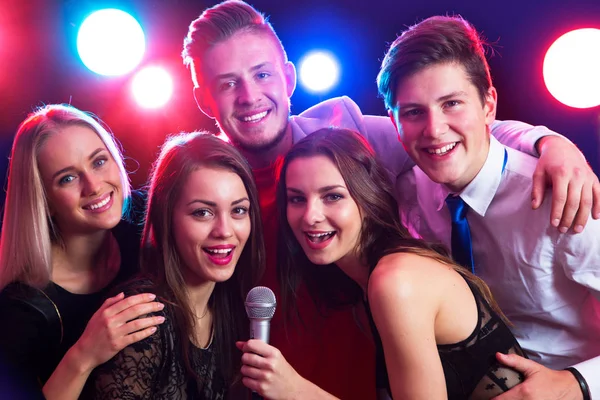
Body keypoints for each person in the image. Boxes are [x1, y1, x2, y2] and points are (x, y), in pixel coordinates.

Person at [181, 1, 600, 398]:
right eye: (228, 83)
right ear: (204, 98)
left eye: (262, 75)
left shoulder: (345, 138)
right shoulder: (208, 183)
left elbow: (462, 136)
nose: (250, 95)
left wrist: (549, 142)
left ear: (288, 77)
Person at [377, 16, 600, 400]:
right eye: (414, 112)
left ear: (488, 105)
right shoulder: (408, 190)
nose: (434, 129)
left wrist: (576, 384)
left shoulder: (560, 193)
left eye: (452, 104)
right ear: (393, 122)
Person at [237, 127, 526, 400]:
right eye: (297, 199)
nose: (310, 215)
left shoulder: (395, 280)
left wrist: (297, 391)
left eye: (333, 196)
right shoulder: (362, 280)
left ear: (367, 197)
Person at [0, 104, 165, 400]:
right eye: (67, 178)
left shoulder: (145, 217)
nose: (94, 186)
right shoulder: (23, 309)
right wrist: (84, 355)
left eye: (99, 162)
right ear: (44, 201)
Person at [86, 132, 266, 399]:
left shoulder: (232, 308)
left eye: (238, 210)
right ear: (166, 218)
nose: (225, 231)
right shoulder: (142, 318)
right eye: (202, 212)